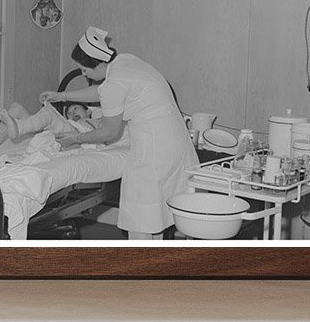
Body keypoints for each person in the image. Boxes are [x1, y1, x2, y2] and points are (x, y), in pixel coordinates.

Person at [41, 26, 197, 240]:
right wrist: (61, 96)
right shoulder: (124, 61)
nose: (84, 74)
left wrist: (76, 138)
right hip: (176, 142)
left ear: (98, 64)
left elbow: (109, 132)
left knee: (141, 216)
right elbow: (101, 91)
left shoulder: (115, 82)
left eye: (85, 70)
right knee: (157, 214)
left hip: (153, 150)